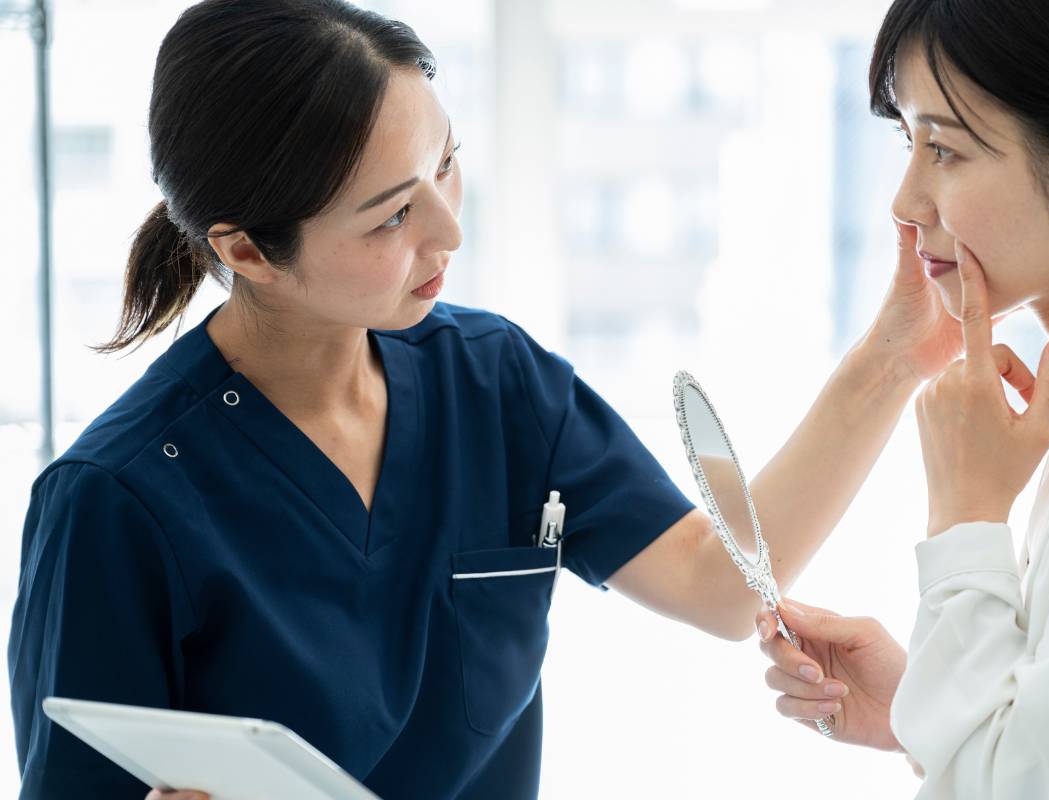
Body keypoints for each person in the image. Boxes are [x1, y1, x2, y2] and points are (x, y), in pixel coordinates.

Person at [7, 1, 988, 798]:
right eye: (393, 213)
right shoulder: (116, 500)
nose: (447, 232)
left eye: (443, 165)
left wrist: (898, 352)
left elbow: (719, 584)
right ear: (247, 250)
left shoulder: (493, 381)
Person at [759, 0, 1049, 797]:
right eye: (908, 142)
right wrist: (915, 707)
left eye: (946, 150)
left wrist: (966, 517)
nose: (905, 201)